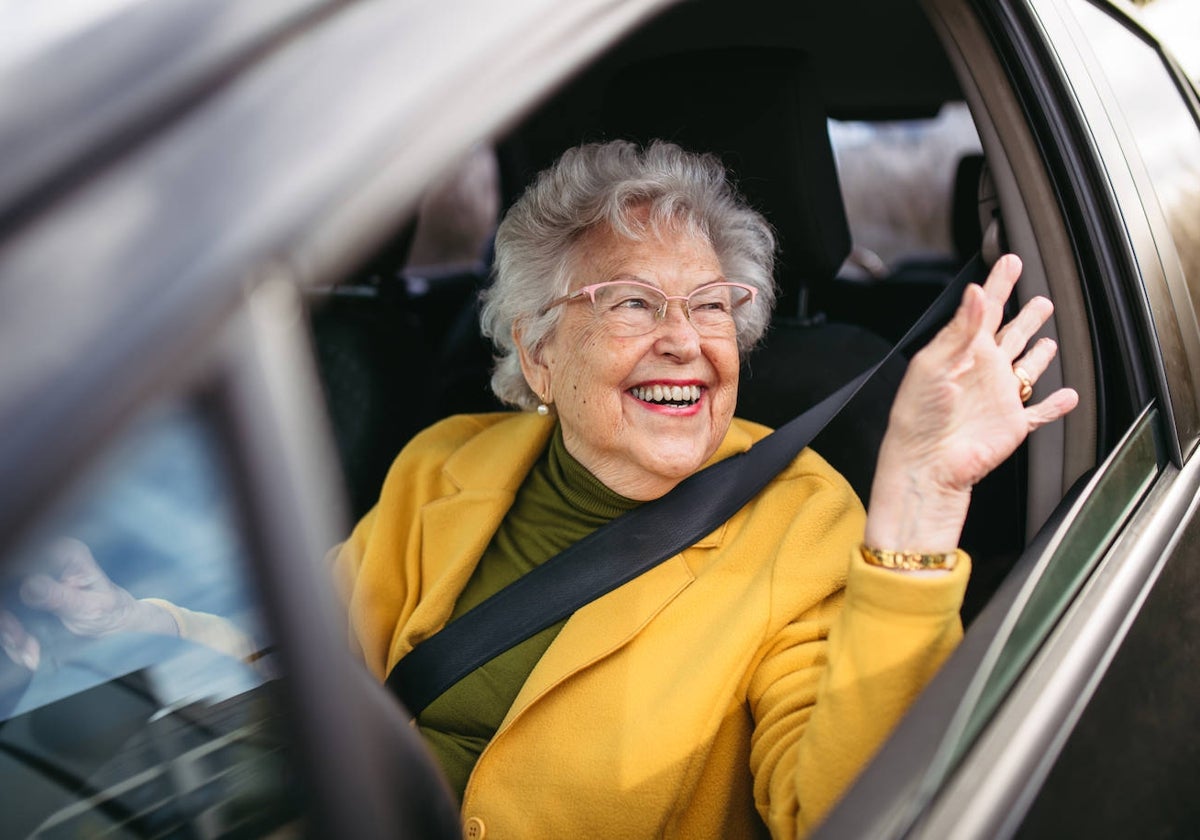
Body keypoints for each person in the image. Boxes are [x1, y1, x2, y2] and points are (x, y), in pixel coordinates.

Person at [2, 140, 1077, 838]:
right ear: (540, 353)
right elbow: (304, 672)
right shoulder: (445, 465)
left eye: (712, 306)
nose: (686, 343)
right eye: (631, 305)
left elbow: (840, 810)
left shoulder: (802, 518)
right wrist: (136, 617)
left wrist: (920, 505)